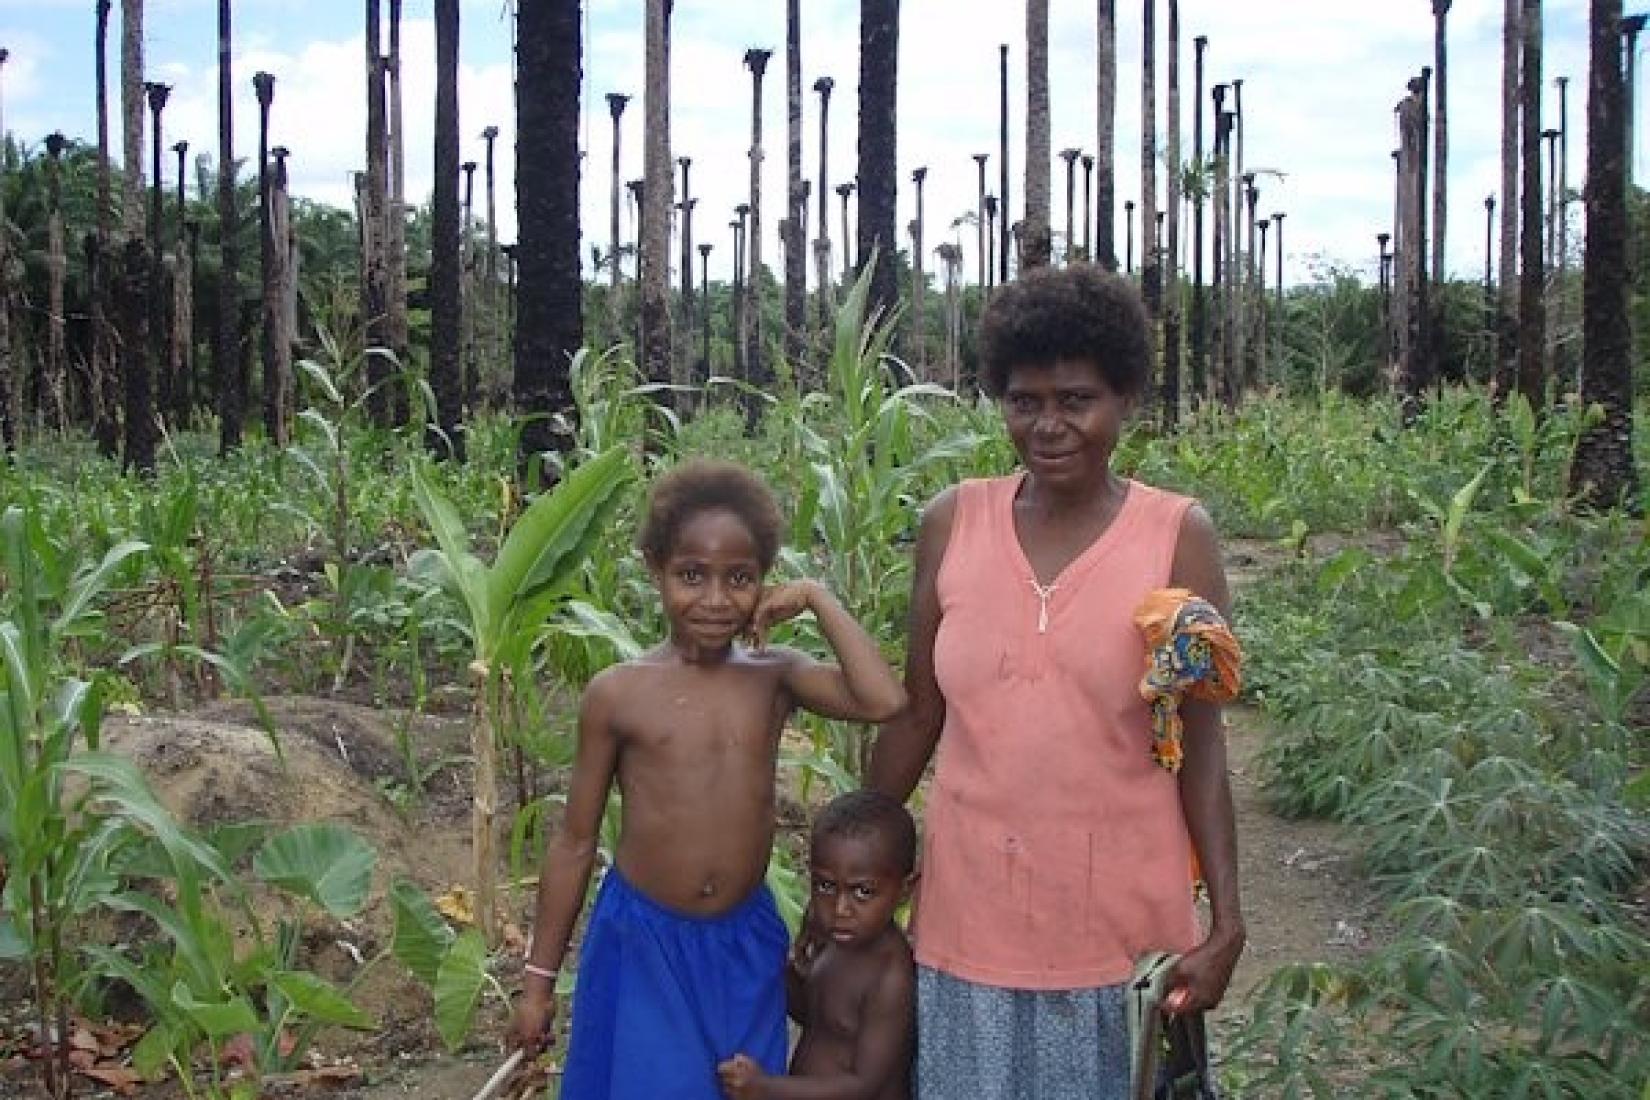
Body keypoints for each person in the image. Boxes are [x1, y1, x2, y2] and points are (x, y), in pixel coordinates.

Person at [867, 264, 1245, 1100]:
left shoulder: (1176, 536)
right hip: (968, 930)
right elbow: (918, 714)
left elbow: (1204, 743)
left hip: (1123, 945)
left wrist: (1226, 921)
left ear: (1126, 400)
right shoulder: (951, 523)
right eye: (1024, 401)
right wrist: (854, 862)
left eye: (1076, 400)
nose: (1049, 425)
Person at [509, 460, 907, 1100]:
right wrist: (537, 983)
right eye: (692, 576)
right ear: (656, 571)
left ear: (762, 582)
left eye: (740, 578)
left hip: (742, 943)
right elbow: (574, 842)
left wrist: (814, 598)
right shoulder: (619, 695)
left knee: (737, 1088)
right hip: (645, 944)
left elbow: (884, 699)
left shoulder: (773, 676)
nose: (717, 600)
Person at [716, 790, 918, 1100]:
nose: (840, 908)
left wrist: (767, 1088)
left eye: (862, 892)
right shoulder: (834, 939)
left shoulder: (890, 976)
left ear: (904, 890)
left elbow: (865, 1084)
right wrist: (780, 971)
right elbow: (820, 1018)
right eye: (825, 886)